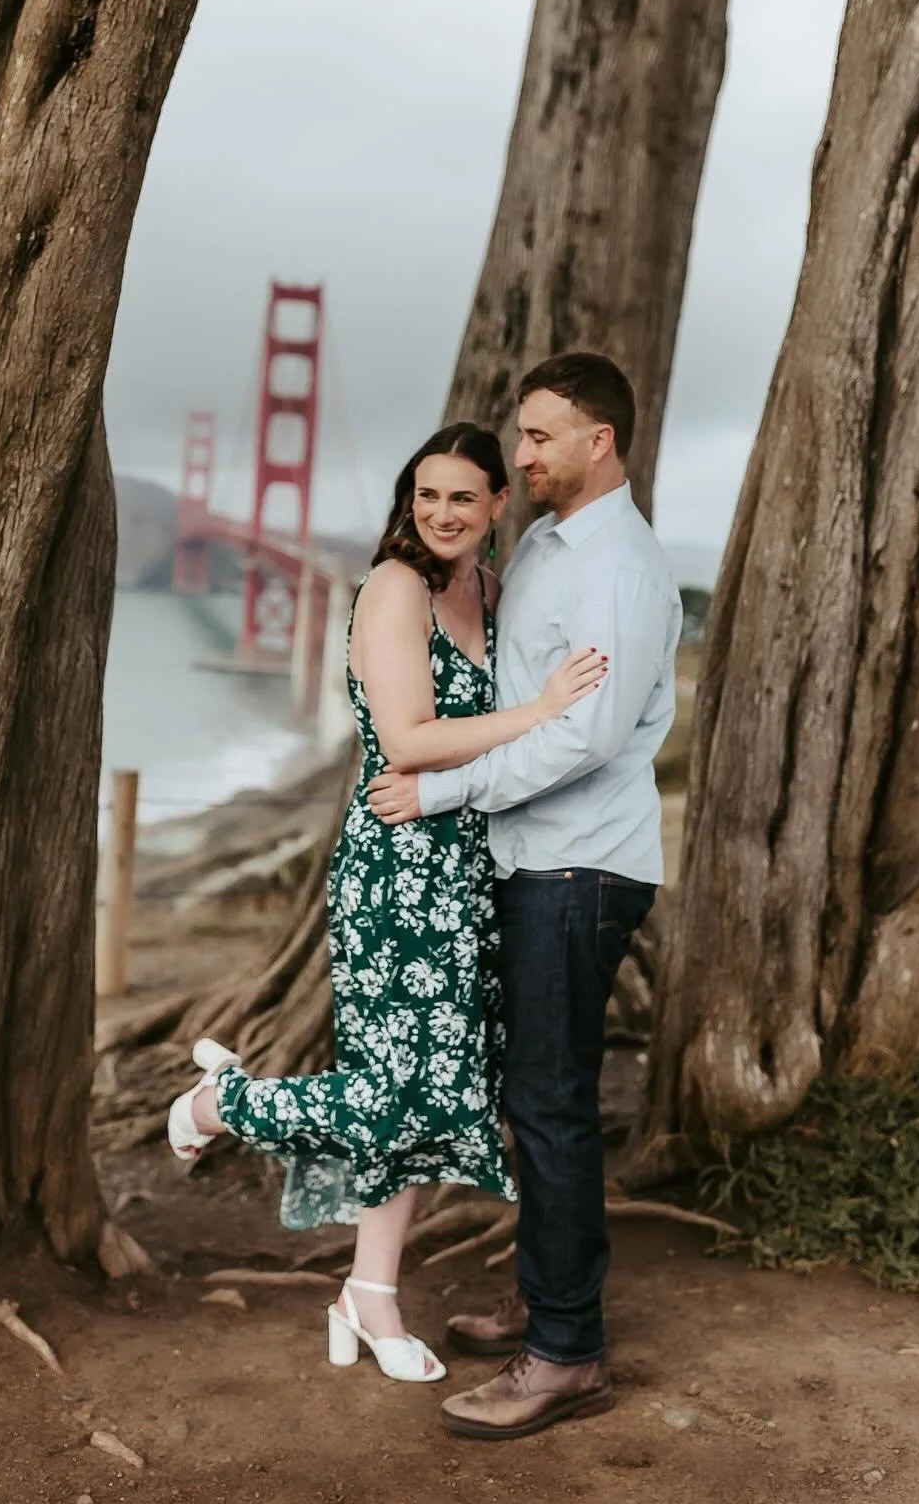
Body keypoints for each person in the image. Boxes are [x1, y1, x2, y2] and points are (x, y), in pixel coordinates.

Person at [166, 421, 608, 1384]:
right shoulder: (390, 589)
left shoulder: (490, 591)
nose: (443, 514)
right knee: (391, 1090)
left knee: (440, 1093)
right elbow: (407, 740)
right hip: (397, 869)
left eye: (464, 497)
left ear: (499, 506)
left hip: (468, 869)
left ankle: (370, 1291)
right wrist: (539, 711)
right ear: (409, 505)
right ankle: (220, 1100)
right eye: (427, 496)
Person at [366, 352, 681, 1440]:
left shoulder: (623, 570)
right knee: (529, 1098)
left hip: (580, 864)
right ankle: (550, 1297)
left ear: (601, 440)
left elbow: (586, 741)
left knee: (551, 1105)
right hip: (528, 859)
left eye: (543, 436)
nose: (526, 452)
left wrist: (445, 790)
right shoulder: (545, 539)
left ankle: (565, 1355)